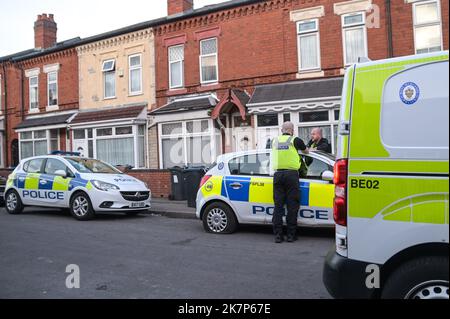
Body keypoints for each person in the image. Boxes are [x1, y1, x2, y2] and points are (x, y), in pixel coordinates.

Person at [271, 122, 309, 243]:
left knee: (278, 206)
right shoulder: (295, 140)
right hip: (291, 175)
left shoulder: (274, 141)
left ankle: (278, 235)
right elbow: (306, 152)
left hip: (277, 175)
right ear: (292, 130)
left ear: (282, 130)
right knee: (292, 205)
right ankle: (291, 235)